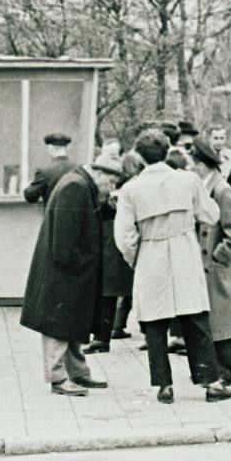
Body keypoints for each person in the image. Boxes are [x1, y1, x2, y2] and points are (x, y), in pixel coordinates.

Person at [115, 131, 231, 404]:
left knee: (154, 321)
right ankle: (211, 382)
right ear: (167, 151)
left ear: (140, 156)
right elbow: (211, 215)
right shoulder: (188, 180)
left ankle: (164, 385)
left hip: (151, 253)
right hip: (184, 251)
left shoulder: (131, 189)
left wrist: (135, 259)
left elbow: (124, 237)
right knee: (195, 317)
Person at [20, 149, 123, 396]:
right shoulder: (76, 187)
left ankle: (77, 371)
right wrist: (79, 264)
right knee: (59, 323)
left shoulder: (81, 183)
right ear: (99, 173)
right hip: (65, 271)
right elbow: (64, 241)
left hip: (70, 270)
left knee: (73, 322)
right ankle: (58, 377)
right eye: (110, 182)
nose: (110, 188)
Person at [189, 139, 231, 388]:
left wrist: (219, 257)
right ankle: (213, 370)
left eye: (191, 165)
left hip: (217, 269)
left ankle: (226, 371)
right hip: (205, 268)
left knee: (223, 321)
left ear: (201, 166)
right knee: (211, 321)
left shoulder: (222, 191)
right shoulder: (204, 189)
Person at [88, 139, 135, 354]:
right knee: (107, 291)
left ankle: (106, 335)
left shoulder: (128, 182)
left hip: (117, 240)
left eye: (114, 156)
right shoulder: (95, 183)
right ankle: (104, 334)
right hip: (103, 239)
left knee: (114, 290)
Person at [23, 133, 73, 203]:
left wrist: (28, 187)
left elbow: (30, 197)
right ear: (67, 148)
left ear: (51, 149)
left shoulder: (44, 171)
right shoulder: (79, 169)